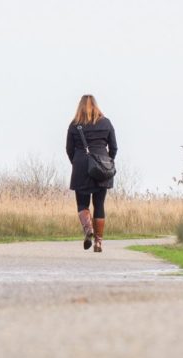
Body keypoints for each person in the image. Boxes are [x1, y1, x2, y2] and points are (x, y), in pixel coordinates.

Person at [65, 94, 117, 252]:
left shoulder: (75, 125)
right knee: (99, 204)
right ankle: (99, 242)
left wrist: (77, 162)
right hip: (102, 167)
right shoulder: (106, 123)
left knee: (82, 203)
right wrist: (108, 163)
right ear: (96, 106)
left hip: (81, 166)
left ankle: (88, 230)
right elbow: (113, 148)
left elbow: (69, 149)